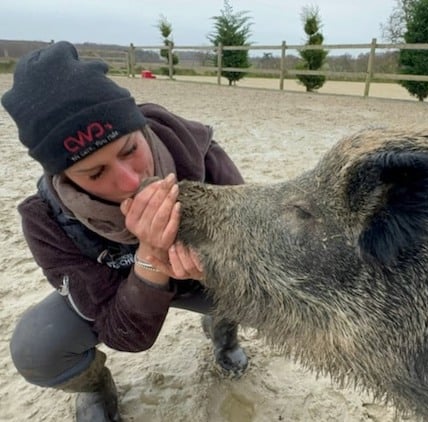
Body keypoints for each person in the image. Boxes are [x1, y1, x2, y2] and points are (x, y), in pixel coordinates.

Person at [1, 41, 249, 422]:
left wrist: (215, 266)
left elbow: (252, 247)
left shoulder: (196, 150)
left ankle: (224, 332)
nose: (129, 180)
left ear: (139, 126)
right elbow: (126, 336)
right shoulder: (46, 220)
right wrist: (151, 257)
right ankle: (95, 385)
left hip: (202, 281)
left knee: (259, 289)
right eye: (96, 173)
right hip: (121, 298)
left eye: (129, 148)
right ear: (63, 176)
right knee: (38, 348)